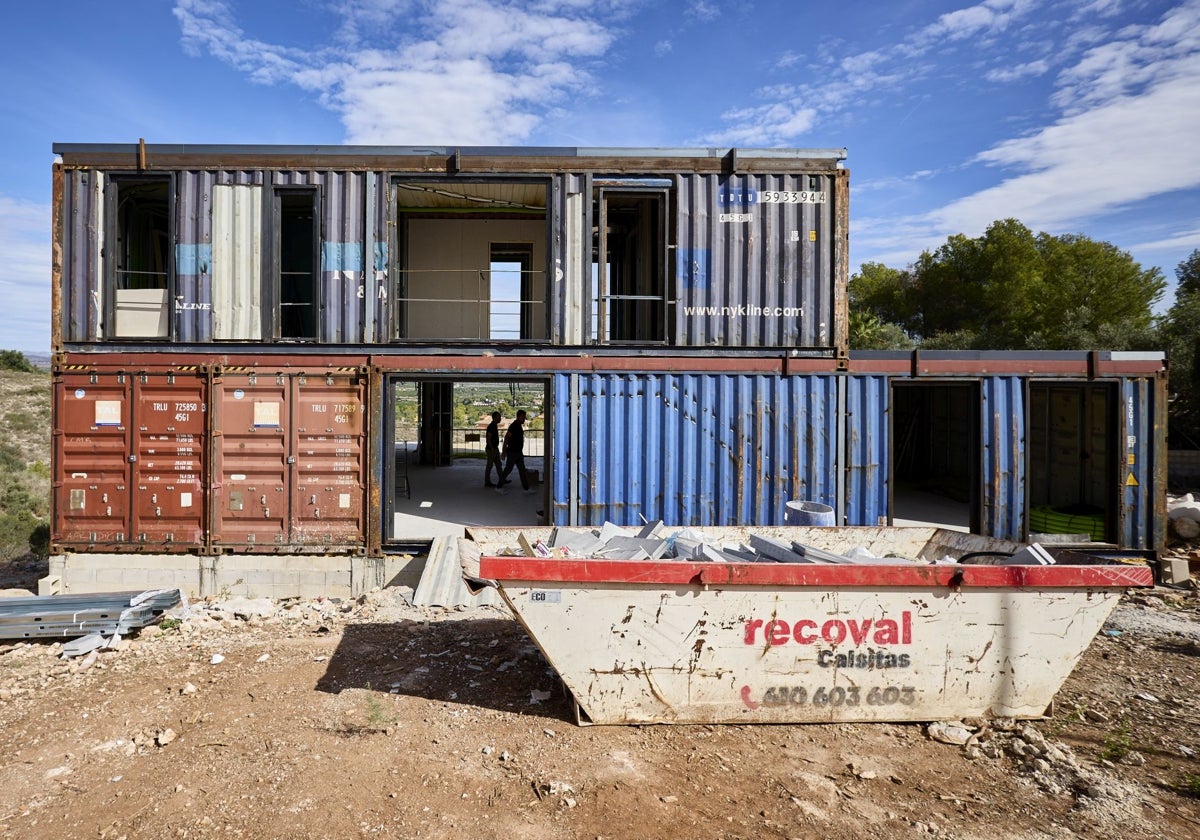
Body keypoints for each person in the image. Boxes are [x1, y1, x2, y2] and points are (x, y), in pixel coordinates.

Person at [498, 409, 535, 494]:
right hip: (512, 452)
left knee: (522, 470)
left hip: (518, 452)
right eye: (523, 417)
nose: (524, 419)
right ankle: (498, 487)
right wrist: (504, 451)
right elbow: (506, 438)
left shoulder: (518, 426)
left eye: (525, 417)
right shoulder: (513, 426)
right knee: (508, 470)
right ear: (518, 417)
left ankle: (526, 489)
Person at [483, 411, 504, 487]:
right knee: (489, 466)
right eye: (499, 417)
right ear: (495, 418)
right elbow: (488, 439)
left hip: (494, 448)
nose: (500, 418)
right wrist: (492, 449)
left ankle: (502, 480)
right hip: (492, 449)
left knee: (498, 465)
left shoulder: (494, 426)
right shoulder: (492, 426)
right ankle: (487, 482)